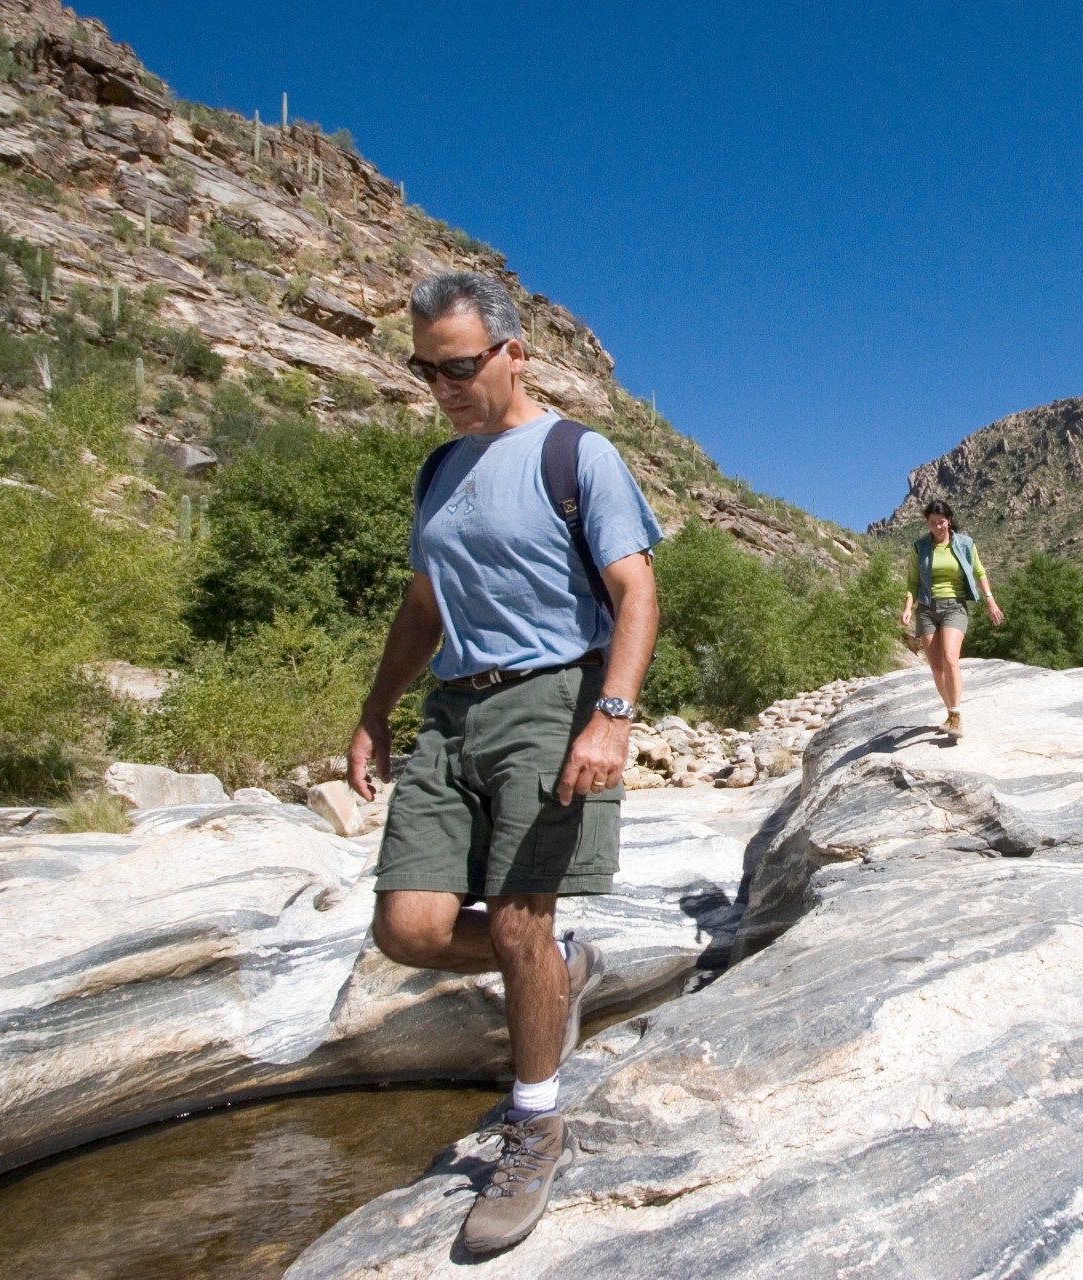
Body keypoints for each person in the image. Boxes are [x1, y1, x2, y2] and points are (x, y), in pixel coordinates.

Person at [346, 271, 662, 1256]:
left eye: (459, 365)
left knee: (522, 915)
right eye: (425, 369)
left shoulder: (578, 454)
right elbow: (424, 601)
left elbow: (636, 590)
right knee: (408, 925)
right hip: (452, 711)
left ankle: (533, 1125)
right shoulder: (437, 470)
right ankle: (561, 974)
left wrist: (611, 716)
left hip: (550, 699)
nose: (442, 384)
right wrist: (374, 709)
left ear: (514, 353)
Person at [899, 499, 1003, 737]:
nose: (937, 527)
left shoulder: (965, 544)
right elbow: (912, 582)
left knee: (949, 657)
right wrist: (907, 607)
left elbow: (979, 571)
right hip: (926, 608)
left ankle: (956, 716)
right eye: (932, 523)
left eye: (941, 522)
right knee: (936, 667)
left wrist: (989, 599)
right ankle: (950, 711)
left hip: (954, 606)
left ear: (950, 521)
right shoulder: (920, 547)